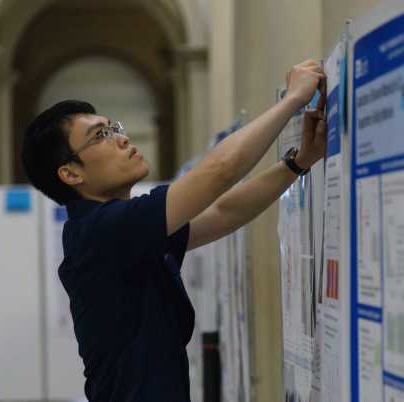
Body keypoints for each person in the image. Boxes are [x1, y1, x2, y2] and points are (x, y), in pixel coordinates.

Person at [21, 59, 327, 402]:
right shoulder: (101, 231)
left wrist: (297, 162)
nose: (121, 139)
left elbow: (223, 211)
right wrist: (292, 101)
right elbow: (219, 172)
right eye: (100, 136)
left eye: (114, 127)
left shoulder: (121, 228)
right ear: (71, 174)